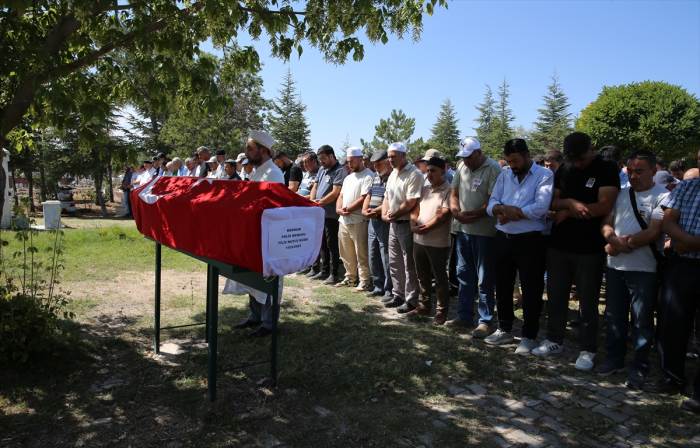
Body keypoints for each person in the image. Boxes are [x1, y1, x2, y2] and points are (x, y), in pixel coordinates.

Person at [533, 132, 619, 371]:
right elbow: (553, 202)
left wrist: (568, 210)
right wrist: (572, 205)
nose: (578, 163)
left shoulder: (607, 168)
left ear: (591, 149)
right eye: (573, 159)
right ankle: (554, 340)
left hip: (590, 247)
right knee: (557, 295)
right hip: (559, 244)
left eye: (581, 158)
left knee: (588, 301)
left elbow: (605, 205)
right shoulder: (566, 168)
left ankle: (588, 349)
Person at [597, 150, 668, 389]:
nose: (634, 176)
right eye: (630, 171)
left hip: (644, 269)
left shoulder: (663, 196)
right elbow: (607, 222)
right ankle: (614, 358)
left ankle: (639, 365)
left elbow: (654, 231)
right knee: (614, 315)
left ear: (654, 171)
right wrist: (611, 239)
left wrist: (622, 244)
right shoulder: (621, 194)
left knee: (641, 319)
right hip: (616, 266)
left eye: (640, 171)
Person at [484, 138, 554, 354]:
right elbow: (492, 203)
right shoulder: (505, 174)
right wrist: (502, 210)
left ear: (526, 155)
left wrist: (513, 213)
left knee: (531, 288)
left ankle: (529, 335)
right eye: (508, 161)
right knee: (503, 286)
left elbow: (541, 207)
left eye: (515, 160)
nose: (512, 165)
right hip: (503, 237)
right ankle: (504, 328)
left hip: (530, 240)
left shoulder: (544, 175)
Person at [226, 131, 285, 338]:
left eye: (250, 148)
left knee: (268, 279)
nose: (246, 151)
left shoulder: (274, 174)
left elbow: (274, 208)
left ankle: (269, 323)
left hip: (268, 236)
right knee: (253, 276)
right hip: (254, 234)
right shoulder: (256, 172)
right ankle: (256, 316)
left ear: (263, 150)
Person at [656, 149, 700, 414]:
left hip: (686, 251)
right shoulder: (688, 187)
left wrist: (689, 243)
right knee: (673, 322)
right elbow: (668, 221)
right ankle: (672, 377)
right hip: (683, 264)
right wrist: (682, 240)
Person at [448, 137, 501, 337]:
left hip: (485, 233)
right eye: (464, 157)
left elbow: (493, 200)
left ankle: (485, 320)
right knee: (463, 275)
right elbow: (453, 192)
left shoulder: (493, 168)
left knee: (484, 278)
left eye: (469, 157)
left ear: (479, 153)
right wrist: (455, 210)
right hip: (463, 230)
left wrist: (473, 215)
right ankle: (464, 316)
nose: (466, 161)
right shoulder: (461, 166)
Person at [407, 157, 453, 324]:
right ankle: (424, 306)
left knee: (440, 278)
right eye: (427, 171)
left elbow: (444, 214)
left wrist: (427, 227)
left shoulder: (449, 189)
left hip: (438, 242)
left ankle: (441, 311)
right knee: (422, 276)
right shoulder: (425, 188)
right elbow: (415, 209)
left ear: (443, 170)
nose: (429, 174)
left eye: (433, 171)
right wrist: (413, 223)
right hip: (419, 239)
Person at [382, 142, 423, 313]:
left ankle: (411, 299)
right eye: (389, 156)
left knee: (409, 263)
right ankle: (397, 294)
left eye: (393, 156)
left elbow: (412, 201)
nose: (390, 160)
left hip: (406, 223)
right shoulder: (393, 174)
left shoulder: (414, 174)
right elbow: (386, 197)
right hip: (394, 223)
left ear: (404, 156)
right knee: (395, 261)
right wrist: (385, 214)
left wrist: (395, 214)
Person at [336, 147, 373, 290]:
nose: (349, 164)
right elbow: (341, 195)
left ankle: (364, 280)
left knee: (361, 252)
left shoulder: (368, 176)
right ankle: (350, 277)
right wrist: (339, 209)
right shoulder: (348, 177)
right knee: (345, 252)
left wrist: (348, 209)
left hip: (358, 220)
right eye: (348, 161)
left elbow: (364, 197)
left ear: (360, 159)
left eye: (351, 161)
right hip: (343, 220)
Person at [309, 145, 347, 284]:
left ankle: (334, 273)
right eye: (320, 159)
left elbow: (336, 192)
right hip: (318, 213)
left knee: (332, 245)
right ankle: (323, 271)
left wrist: (320, 203)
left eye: (324, 159)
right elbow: (315, 186)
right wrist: (313, 202)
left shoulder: (340, 170)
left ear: (332, 156)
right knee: (321, 243)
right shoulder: (321, 169)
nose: (322, 162)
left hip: (331, 215)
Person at [362, 149, 393, 300]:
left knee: (385, 255)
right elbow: (369, 194)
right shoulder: (375, 176)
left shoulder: (392, 178)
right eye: (374, 164)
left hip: (384, 221)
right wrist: (364, 209)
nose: (375, 166)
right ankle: (378, 285)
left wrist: (377, 211)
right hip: (372, 221)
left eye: (378, 164)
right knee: (373, 253)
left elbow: (390, 201)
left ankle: (389, 289)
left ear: (387, 162)